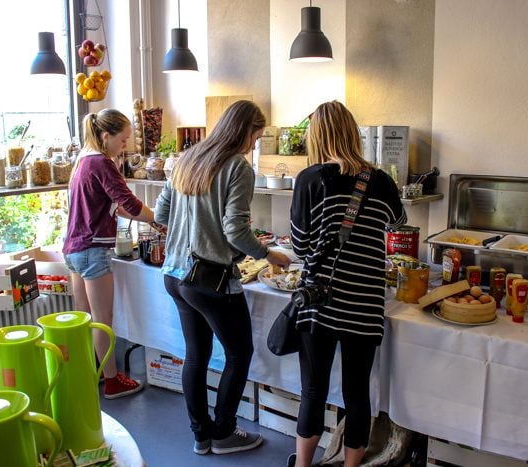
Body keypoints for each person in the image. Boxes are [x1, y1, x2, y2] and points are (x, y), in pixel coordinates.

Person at [154, 100, 292, 456]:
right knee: (239, 353)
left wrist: (196, 228)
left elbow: (161, 212)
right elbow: (235, 230)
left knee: (196, 356)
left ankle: (201, 436)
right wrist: (268, 253)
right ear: (245, 130)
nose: (253, 145)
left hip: (175, 273)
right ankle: (225, 433)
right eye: (256, 137)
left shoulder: (188, 158)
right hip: (209, 279)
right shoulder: (237, 167)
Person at [286, 101, 407, 467]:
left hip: (319, 304)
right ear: (353, 134)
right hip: (365, 302)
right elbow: (398, 227)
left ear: (317, 137)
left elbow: (301, 247)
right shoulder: (382, 180)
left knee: (313, 390)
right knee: (357, 395)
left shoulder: (309, 179)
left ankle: (304, 465)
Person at [63, 108, 160, 399]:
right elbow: (128, 203)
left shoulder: (83, 159)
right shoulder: (102, 162)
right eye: (122, 139)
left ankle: (89, 374)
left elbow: (112, 206)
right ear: (106, 136)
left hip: (73, 247)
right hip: (92, 249)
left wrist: (148, 218)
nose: (125, 146)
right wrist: (158, 218)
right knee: (103, 319)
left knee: (85, 318)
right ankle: (113, 380)